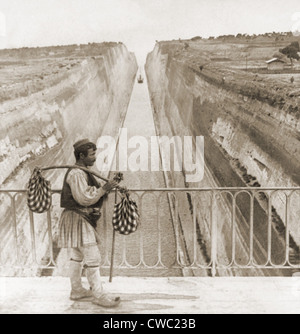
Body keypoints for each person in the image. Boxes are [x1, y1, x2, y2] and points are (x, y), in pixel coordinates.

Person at [58, 138, 120, 308]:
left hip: (77, 218)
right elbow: (84, 198)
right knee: (93, 257)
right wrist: (104, 189)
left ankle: (77, 290)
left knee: (77, 255)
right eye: (92, 155)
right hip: (78, 218)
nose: (95, 158)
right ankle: (99, 295)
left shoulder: (82, 171)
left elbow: (89, 191)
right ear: (81, 155)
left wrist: (105, 186)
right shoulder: (77, 173)